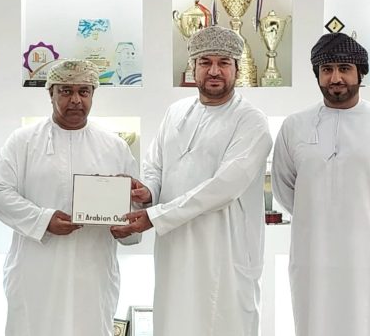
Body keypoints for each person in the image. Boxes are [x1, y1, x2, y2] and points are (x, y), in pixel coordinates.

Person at [112, 26, 272, 335]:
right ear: (193, 67)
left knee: (222, 323)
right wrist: (148, 192)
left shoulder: (251, 120)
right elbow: (155, 165)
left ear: (237, 69)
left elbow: (223, 188)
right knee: (175, 321)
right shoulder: (176, 112)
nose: (214, 71)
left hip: (223, 251)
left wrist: (155, 216)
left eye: (223, 62)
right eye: (205, 62)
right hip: (174, 248)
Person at [271, 33, 370, 336]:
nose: (335, 78)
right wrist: (318, 217)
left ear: (360, 73)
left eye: (344, 68)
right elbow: (284, 186)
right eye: (326, 69)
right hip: (314, 255)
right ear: (317, 75)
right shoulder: (294, 126)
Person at [0, 59, 140, 336]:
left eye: (84, 91)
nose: (76, 100)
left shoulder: (115, 146)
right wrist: (43, 220)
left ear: (93, 94)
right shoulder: (22, 141)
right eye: (66, 91)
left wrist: (126, 227)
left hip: (93, 271)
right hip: (36, 269)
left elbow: (134, 206)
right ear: (51, 93)